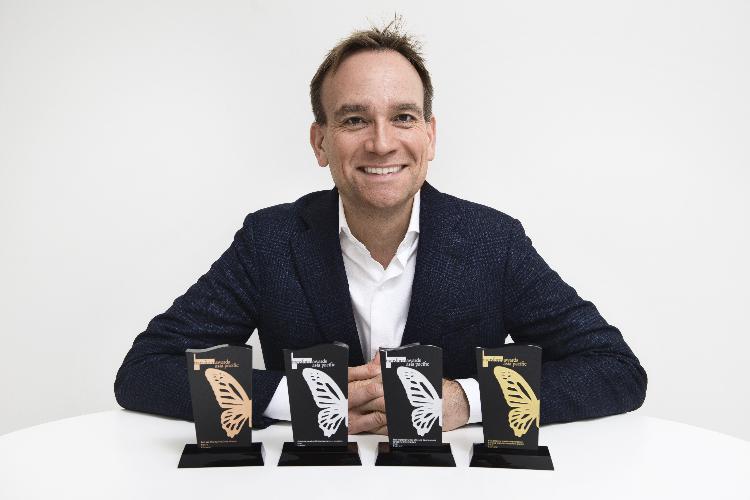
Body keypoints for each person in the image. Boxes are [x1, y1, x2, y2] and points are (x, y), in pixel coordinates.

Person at [115, 21, 647, 434]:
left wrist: (466, 400)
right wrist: (301, 397)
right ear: (320, 142)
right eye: (354, 119)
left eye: (403, 117)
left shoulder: (494, 242)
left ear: (430, 137)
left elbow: (614, 368)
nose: (381, 142)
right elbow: (145, 369)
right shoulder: (269, 241)